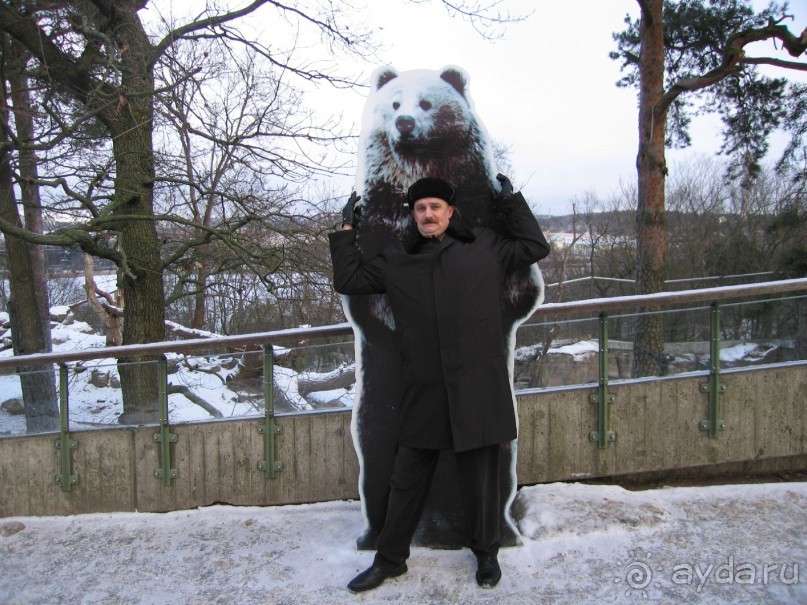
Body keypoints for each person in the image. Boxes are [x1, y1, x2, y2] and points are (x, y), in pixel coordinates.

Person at [329, 175, 550, 592]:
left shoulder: (485, 245)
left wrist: (510, 203)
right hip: (424, 387)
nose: (428, 215)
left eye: (435, 207)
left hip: (477, 385)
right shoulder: (398, 258)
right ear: (414, 216)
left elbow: (535, 247)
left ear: (450, 212)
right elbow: (350, 280)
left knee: (481, 479)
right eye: (420, 209)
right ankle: (390, 560)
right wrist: (346, 232)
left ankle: (487, 555)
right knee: (406, 479)